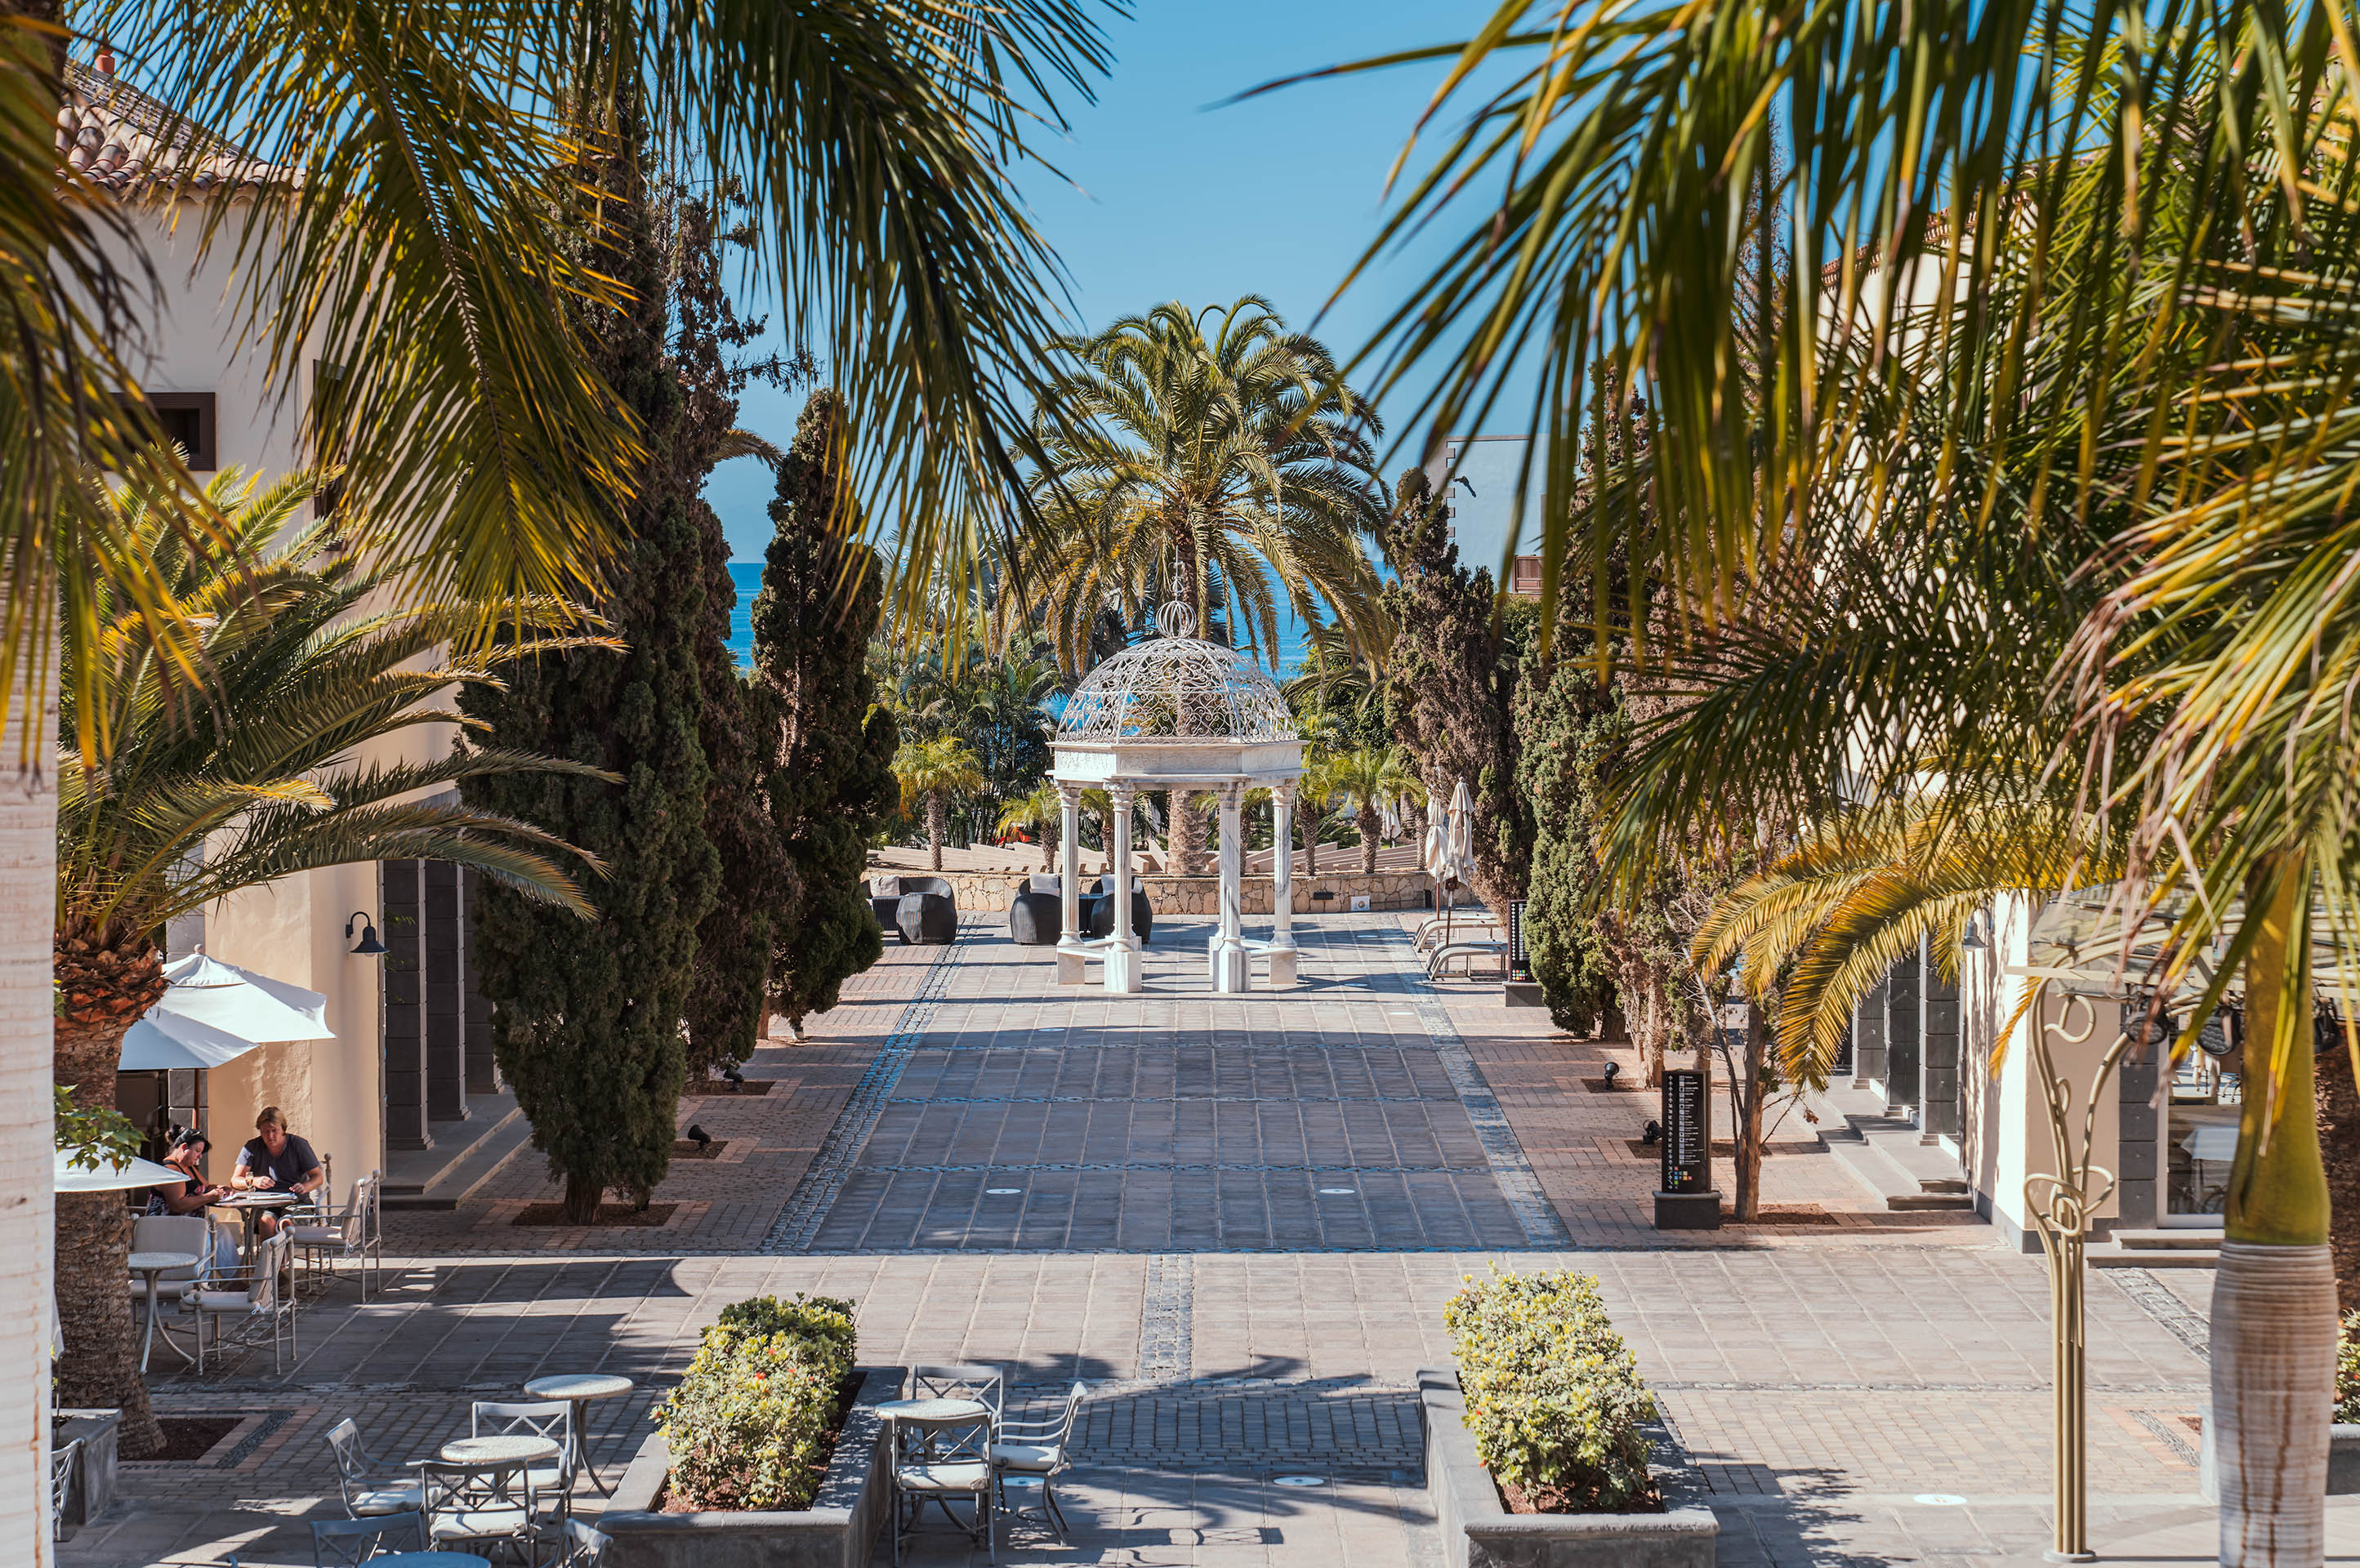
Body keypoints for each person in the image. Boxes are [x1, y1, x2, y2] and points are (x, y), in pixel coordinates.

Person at [143, 1129, 239, 1276]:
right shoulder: (172, 1171)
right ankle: (200, 1285)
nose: (200, 1156)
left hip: (188, 1224)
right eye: (197, 1151)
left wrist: (220, 1188)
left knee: (221, 1231)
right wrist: (209, 1197)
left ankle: (233, 1279)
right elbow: (177, 1205)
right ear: (184, 1148)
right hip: (166, 1226)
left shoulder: (188, 1167)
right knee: (206, 1239)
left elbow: (205, 1187)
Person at [231, 1106, 325, 1236]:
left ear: (283, 1130)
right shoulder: (252, 1147)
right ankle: (268, 1257)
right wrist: (253, 1181)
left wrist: (305, 1186)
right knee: (266, 1222)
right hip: (265, 1203)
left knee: (286, 1223)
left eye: (274, 1131)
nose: (270, 1136)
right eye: (265, 1132)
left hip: (296, 1202)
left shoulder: (298, 1145)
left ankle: (282, 1257)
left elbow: (318, 1177)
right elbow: (235, 1180)